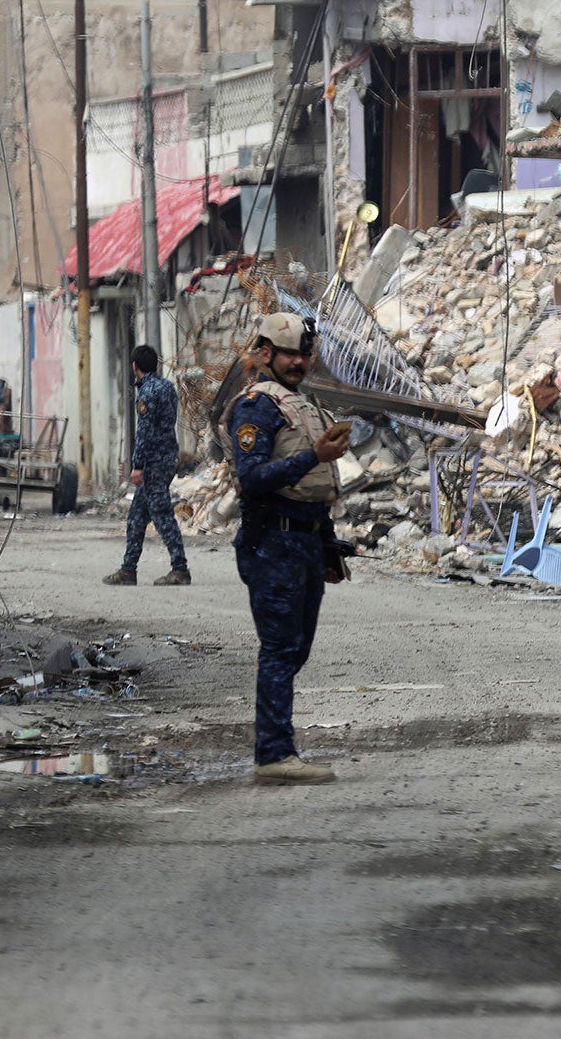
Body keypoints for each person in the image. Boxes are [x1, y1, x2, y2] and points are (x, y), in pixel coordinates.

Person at [228, 312, 353, 786]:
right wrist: (313, 456)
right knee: (280, 649)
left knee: (295, 649)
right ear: (265, 354)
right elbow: (253, 478)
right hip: (272, 542)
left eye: (304, 353)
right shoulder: (257, 407)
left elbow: (316, 490)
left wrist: (327, 549)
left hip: (302, 540)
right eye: (288, 353)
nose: (298, 361)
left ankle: (274, 746)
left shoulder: (301, 404)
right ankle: (274, 753)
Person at [103, 345, 189, 587]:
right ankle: (128, 570)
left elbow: (144, 432)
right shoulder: (167, 387)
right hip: (167, 457)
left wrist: (137, 465)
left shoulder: (147, 392)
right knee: (137, 517)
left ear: (134, 367)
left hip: (154, 462)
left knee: (162, 515)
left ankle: (180, 568)